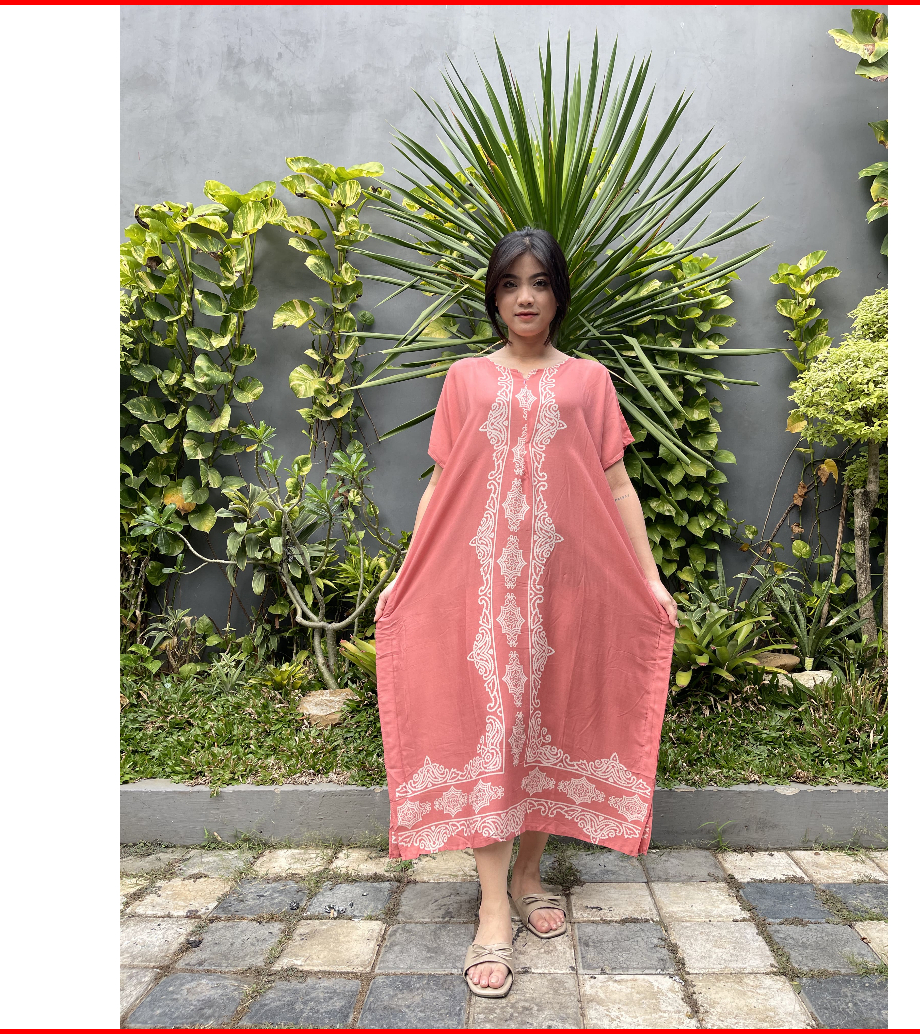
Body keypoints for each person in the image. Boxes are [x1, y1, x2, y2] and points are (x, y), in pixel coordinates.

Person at [374, 227, 679, 997]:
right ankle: (491, 907)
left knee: (547, 719)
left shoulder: (589, 381)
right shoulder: (466, 378)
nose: (525, 297)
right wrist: (405, 573)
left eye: (539, 282)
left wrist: (649, 581)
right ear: (494, 295)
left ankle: (529, 876)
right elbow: (443, 483)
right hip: (480, 589)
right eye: (510, 284)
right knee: (493, 725)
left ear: (558, 294)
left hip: (564, 587)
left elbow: (615, 485)